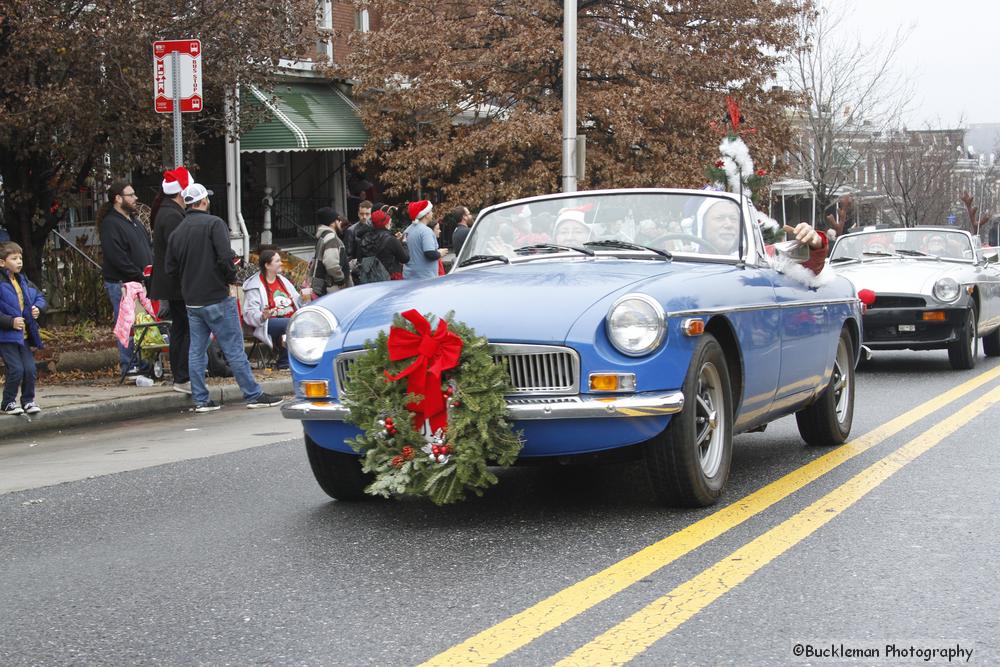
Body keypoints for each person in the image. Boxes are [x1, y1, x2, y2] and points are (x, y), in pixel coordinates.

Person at [164, 183, 283, 413]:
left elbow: (170, 268)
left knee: (196, 350)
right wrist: (230, 278)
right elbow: (224, 258)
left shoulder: (178, 231)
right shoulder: (214, 224)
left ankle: (201, 399)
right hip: (216, 296)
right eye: (206, 198)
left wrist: (187, 282)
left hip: (192, 299)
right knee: (233, 348)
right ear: (203, 201)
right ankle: (253, 394)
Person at [98, 181, 153, 377]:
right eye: (131, 195)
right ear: (118, 198)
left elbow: (147, 246)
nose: (135, 198)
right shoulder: (111, 224)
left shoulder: (135, 221)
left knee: (143, 323)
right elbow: (116, 256)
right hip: (122, 283)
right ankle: (129, 365)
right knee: (127, 323)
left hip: (140, 281)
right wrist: (137, 273)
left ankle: (145, 363)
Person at [149, 166, 192, 394]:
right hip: (176, 282)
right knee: (184, 329)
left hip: (170, 281)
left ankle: (181, 375)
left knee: (180, 328)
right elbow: (179, 250)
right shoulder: (173, 215)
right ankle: (182, 376)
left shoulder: (166, 212)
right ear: (180, 193)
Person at [0, 242, 46, 415]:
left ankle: (27, 400)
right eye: (14, 258)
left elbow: (39, 296)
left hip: (23, 335)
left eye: (20, 258)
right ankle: (8, 402)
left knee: (30, 369)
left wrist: (38, 308)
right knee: (16, 369)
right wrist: (10, 322)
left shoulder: (23, 280)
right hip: (5, 336)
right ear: (2, 263)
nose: (19, 261)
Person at [241, 249, 302, 369]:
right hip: (266, 323)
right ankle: (285, 362)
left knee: (306, 320)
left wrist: (305, 299)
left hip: (290, 317)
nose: (281, 263)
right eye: (277, 261)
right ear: (267, 265)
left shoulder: (283, 280)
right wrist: (262, 316)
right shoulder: (255, 286)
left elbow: (296, 300)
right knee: (291, 323)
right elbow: (249, 313)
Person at [310, 207, 351, 296]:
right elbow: (331, 264)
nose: (340, 222)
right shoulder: (331, 238)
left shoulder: (323, 236)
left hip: (323, 286)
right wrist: (340, 279)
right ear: (333, 222)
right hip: (331, 288)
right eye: (338, 220)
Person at [358, 210, 409, 280]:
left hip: (370, 279)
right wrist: (404, 242)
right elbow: (405, 259)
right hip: (389, 278)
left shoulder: (365, 238)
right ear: (385, 224)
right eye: (389, 223)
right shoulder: (391, 240)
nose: (390, 224)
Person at [402, 200, 447, 280]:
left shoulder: (407, 230)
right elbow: (429, 253)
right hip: (425, 278)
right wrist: (440, 253)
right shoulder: (426, 231)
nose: (432, 213)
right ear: (426, 214)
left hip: (409, 276)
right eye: (431, 211)